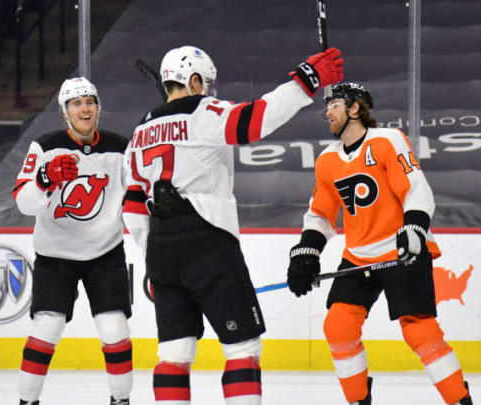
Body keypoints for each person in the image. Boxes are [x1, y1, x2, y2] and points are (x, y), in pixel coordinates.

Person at [122, 45, 343, 405]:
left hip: (161, 250)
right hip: (208, 243)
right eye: (206, 84)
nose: (210, 91)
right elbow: (258, 119)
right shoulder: (205, 111)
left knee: (175, 354)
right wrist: (308, 79)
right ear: (194, 81)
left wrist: (152, 257)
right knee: (243, 348)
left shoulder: (139, 133)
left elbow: (132, 205)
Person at [286, 82, 473, 405]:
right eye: (326, 106)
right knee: (338, 327)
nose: (326, 111)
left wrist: (414, 229)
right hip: (358, 258)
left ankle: (459, 400)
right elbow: (320, 215)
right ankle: (359, 401)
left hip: (403, 250)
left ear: (355, 108)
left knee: (420, 331)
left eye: (334, 104)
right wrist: (306, 252)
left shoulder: (387, 140)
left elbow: (416, 188)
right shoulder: (327, 161)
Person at [13, 77, 133, 405]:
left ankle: (121, 400)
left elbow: (137, 197)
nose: (85, 108)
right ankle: (27, 401)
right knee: (46, 327)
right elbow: (24, 202)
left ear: (99, 108)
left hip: (106, 253)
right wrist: (45, 178)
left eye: (90, 101)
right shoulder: (44, 146)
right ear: (65, 112)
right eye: (76, 103)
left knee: (114, 328)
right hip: (55, 255)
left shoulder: (120, 147)